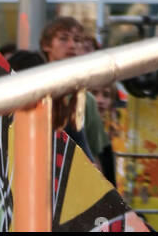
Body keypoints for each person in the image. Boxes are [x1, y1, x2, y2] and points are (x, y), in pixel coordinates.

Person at [39, 15, 113, 178]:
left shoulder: (86, 99)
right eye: (63, 39)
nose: (72, 45)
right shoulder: (32, 89)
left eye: (77, 40)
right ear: (46, 45)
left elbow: (95, 151)